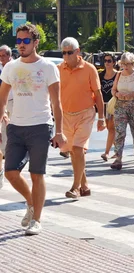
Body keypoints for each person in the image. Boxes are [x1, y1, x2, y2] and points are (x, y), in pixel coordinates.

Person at [0, 23, 65, 235]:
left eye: (26, 41)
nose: (21, 44)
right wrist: (3, 115)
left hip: (40, 125)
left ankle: (36, 219)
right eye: (18, 41)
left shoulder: (48, 67)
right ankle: (31, 202)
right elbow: (1, 97)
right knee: (10, 172)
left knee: (37, 174)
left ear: (35, 42)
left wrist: (59, 131)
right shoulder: (11, 67)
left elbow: (57, 102)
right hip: (16, 127)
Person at [58, 37, 105, 199]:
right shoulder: (58, 69)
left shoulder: (89, 69)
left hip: (85, 113)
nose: (66, 56)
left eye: (69, 52)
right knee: (73, 151)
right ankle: (84, 185)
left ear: (77, 52)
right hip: (66, 115)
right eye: (63, 53)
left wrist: (102, 118)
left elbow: (98, 94)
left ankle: (75, 187)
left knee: (78, 149)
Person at [111, 52, 134, 170]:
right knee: (119, 132)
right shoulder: (118, 75)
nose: (125, 67)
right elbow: (113, 90)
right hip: (121, 106)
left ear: (133, 63)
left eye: (128, 64)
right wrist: (117, 94)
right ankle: (118, 158)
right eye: (123, 64)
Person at [0, 45, 14, 186]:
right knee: (4, 129)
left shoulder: (14, 67)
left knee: (13, 127)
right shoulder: (0, 69)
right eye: (0, 56)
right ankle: (4, 155)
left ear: (9, 56)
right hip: (3, 102)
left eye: (4, 55)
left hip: (14, 102)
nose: (1, 58)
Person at [100, 53, 117, 162]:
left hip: (115, 104)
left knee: (111, 128)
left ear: (114, 62)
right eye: (105, 61)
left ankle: (106, 153)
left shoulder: (118, 75)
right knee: (109, 128)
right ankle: (117, 150)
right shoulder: (101, 75)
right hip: (104, 104)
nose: (107, 63)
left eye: (109, 61)